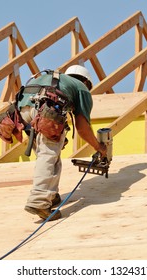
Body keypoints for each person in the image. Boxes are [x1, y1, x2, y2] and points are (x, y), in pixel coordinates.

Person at [17, 65, 107, 221]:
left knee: (48, 155)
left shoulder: (56, 79)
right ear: (85, 81)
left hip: (21, 111)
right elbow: (82, 126)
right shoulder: (81, 88)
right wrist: (98, 146)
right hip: (43, 111)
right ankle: (39, 201)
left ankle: (50, 195)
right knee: (48, 154)